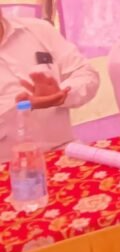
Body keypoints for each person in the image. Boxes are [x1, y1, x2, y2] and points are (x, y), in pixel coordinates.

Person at [0, 11, 100, 161]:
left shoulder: (38, 29)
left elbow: (86, 73)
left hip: (65, 152)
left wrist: (62, 94)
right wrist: (19, 107)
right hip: (8, 165)